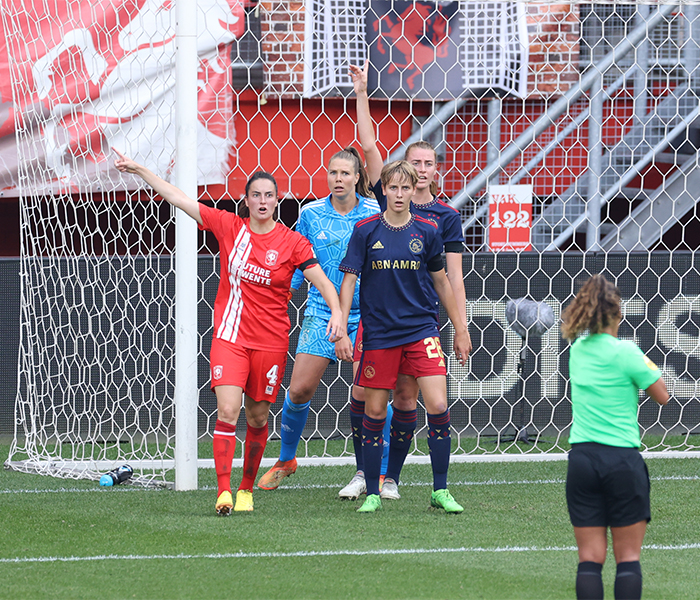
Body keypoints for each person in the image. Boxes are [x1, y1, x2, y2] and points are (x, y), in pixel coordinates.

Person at [113, 150, 346, 516]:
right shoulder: (229, 227)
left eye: (269, 195)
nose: (263, 201)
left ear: (277, 200)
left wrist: (336, 311)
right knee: (227, 409)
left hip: (270, 342)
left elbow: (322, 280)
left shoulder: (292, 243)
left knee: (256, 418)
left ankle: (246, 489)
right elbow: (179, 199)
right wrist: (142, 169)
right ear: (247, 200)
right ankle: (223, 492)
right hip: (230, 338)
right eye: (256, 195)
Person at [337, 60, 470, 501]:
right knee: (366, 394)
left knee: (411, 400)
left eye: (428, 163)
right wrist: (360, 92)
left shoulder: (441, 221)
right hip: (379, 323)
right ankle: (365, 474)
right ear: (400, 176)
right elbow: (368, 145)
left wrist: (461, 325)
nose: (419, 171)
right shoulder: (379, 215)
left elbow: (449, 277)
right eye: (414, 163)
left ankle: (394, 479)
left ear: (433, 171)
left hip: (420, 323)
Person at [255, 147, 393, 492]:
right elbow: (299, 265)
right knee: (300, 389)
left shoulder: (376, 213)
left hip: (369, 315)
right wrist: (281, 293)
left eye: (345, 173)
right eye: (333, 173)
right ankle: (287, 459)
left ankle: (380, 470)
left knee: (368, 395)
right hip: (322, 312)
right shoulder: (311, 214)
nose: (338, 179)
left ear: (358, 177)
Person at [561, 274, 669, 600]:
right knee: (628, 559)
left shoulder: (577, 350)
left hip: (582, 461)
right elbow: (662, 395)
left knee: (590, 560)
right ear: (617, 313)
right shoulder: (626, 351)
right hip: (622, 460)